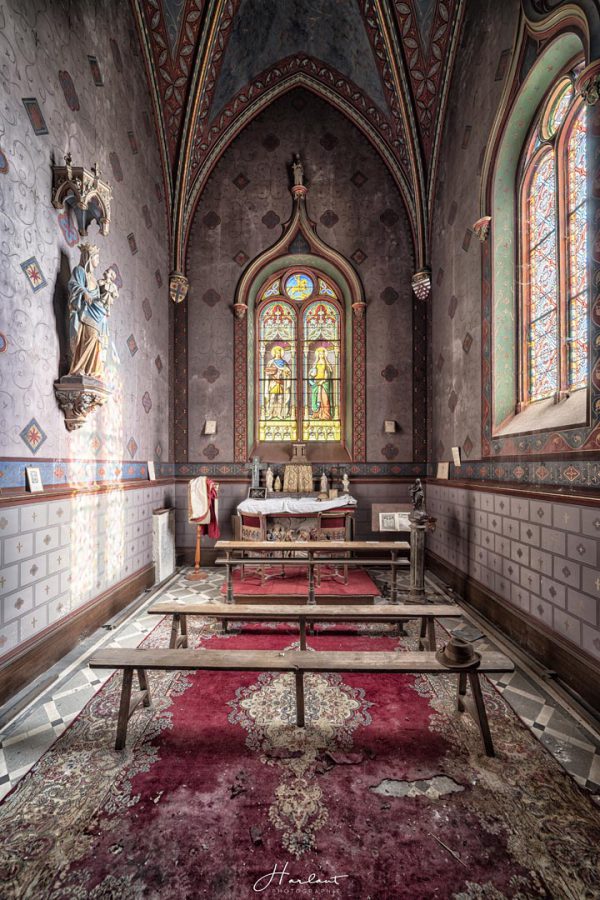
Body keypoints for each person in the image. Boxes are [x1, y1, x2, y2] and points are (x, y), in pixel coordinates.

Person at [67, 243, 117, 380]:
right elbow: (73, 284)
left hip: (97, 313)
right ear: (89, 258)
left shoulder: (94, 278)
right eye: (96, 258)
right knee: (90, 337)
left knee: (97, 342)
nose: (98, 261)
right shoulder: (79, 271)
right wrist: (83, 292)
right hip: (86, 312)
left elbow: (97, 296)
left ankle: (92, 371)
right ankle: (79, 369)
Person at [265, 345, 291, 419]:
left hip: (281, 383)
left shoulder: (284, 362)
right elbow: (267, 372)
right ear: (274, 354)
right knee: (272, 398)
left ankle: (279, 414)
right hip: (273, 383)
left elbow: (288, 372)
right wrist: (272, 375)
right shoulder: (271, 362)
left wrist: (286, 372)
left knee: (280, 399)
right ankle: (271, 414)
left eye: (279, 353)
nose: (278, 354)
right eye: (277, 353)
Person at [309, 347, 333, 420]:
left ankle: (325, 415)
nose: (321, 355)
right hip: (316, 382)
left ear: (324, 354)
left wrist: (323, 380)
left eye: (322, 353)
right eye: (319, 354)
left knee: (324, 399)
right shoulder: (315, 363)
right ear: (318, 355)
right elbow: (313, 372)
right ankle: (317, 414)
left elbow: (328, 373)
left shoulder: (327, 364)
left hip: (324, 383)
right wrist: (311, 375)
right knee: (315, 398)